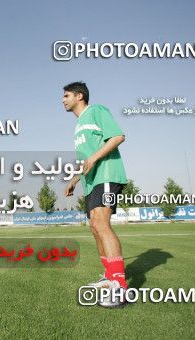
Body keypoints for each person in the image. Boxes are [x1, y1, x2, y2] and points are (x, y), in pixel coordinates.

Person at [62, 82, 129, 307]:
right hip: (91, 182)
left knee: (101, 223)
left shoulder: (96, 111)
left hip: (107, 175)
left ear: (79, 96)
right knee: (94, 226)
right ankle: (109, 277)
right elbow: (86, 159)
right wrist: (75, 179)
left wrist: (94, 159)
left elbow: (118, 137)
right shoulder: (78, 125)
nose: (63, 100)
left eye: (66, 95)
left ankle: (120, 286)